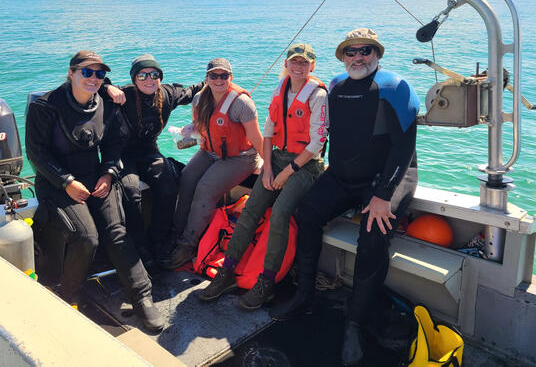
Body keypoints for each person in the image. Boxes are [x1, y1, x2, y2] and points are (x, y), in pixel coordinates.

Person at [270, 29, 419, 365]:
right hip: (342, 176)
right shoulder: (335, 86)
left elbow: (404, 148)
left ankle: (355, 323)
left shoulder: (396, 87)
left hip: (388, 177)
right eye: (350, 52)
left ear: (377, 54)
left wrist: (383, 195)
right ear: (341, 57)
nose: (357, 58)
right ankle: (304, 294)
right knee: (306, 213)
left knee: (372, 236)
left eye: (365, 51)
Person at [25, 50, 165, 333]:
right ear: (71, 73)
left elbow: (114, 145)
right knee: (86, 236)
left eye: (99, 73)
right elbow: (36, 153)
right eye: (86, 72)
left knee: (117, 229)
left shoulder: (106, 104)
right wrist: (66, 182)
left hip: (95, 177)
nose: (93, 78)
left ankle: (141, 296)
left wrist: (108, 172)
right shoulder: (45, 106)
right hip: (56, 182)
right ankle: (68, 294)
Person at [197, 43, 328, 310]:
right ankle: (227, 273)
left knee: (280, 212)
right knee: (250, 209)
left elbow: (317, 142)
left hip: (306, 165)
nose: (298, 66)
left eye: (304, 63)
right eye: (294, 61)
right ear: (287, 64)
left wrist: (288, 172)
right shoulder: (280, 89)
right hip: (277, 159)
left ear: (312, 66)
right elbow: (267, 133)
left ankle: (266, 283)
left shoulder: (318, 95)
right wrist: (267, 168)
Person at [160, 58, 264, 269]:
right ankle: (176, 232)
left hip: (240, 157)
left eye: (223, 76)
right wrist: (187, 131)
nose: (219, 80)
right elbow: (201, 126)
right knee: (187, 178)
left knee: (205, 188)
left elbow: (256, 138)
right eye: (214, 76)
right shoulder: (199, 99)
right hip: (210, 151)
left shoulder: (241, 103)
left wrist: (269, 167)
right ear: (206, 78)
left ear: (230, 78)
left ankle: (187, 245)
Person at [103, 54, 204, 266]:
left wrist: (222, 82)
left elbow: (196, 89)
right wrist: (107, 87)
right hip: (124, 154)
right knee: (131, 193)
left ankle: (158, 241)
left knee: (168, 187)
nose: (149, 79)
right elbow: (90, 88)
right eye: (142, 75)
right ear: (134, 79)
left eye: (154, 74)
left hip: (149, 151)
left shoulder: (167, 93)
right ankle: (138, 246)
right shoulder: (123, 95)